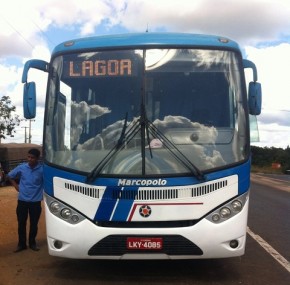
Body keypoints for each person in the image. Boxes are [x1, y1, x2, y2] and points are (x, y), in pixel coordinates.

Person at [7, 148, 44, 253]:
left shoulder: (42, 170)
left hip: (35, 202)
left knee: (34, 223)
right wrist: (15, 186)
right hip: (22, 200)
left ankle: (32, 243)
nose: (30, 159)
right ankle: (21, 244)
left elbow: (47, 181)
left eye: (32, 157)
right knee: (21, 223)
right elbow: (10, 176)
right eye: (28, 157)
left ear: (37, 158)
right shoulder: (22, 167)